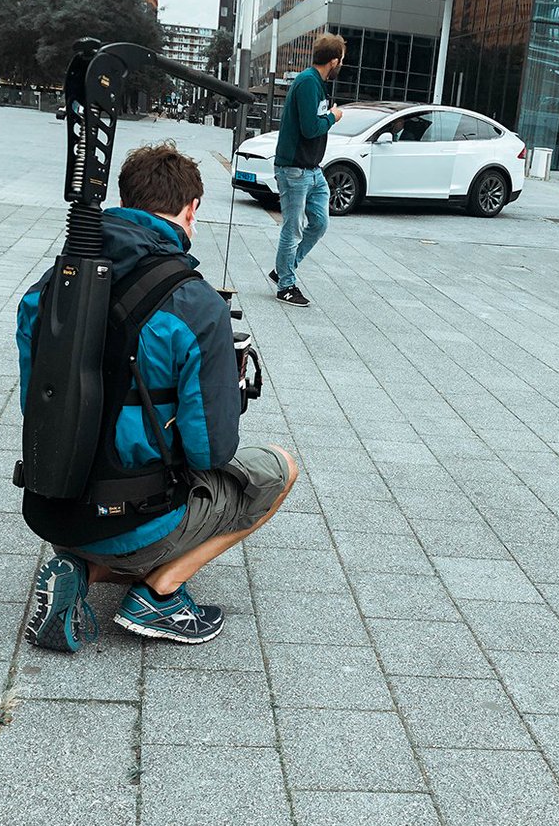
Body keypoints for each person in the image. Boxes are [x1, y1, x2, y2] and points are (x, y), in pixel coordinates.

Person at [17, 142, 298, 651]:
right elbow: (210, 451)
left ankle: (76, 569)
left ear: (127, 200)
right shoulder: (194, 302)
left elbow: (35, 404)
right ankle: (159, 594)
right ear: (190, 210)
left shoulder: (48, 287)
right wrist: (226, 386)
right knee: (279, 469)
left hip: (53, 506)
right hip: (139, 515)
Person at [271, 33, 345, 307]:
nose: (341, 66)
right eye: (341, 62)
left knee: (320, 223)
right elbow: (310, 128)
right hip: (294, 169)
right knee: (293, 228)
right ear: (334, 60)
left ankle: (283, 269)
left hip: (312, 169)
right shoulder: (307, 83)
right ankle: (286, 285)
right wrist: (333, 117)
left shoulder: (317, 83)